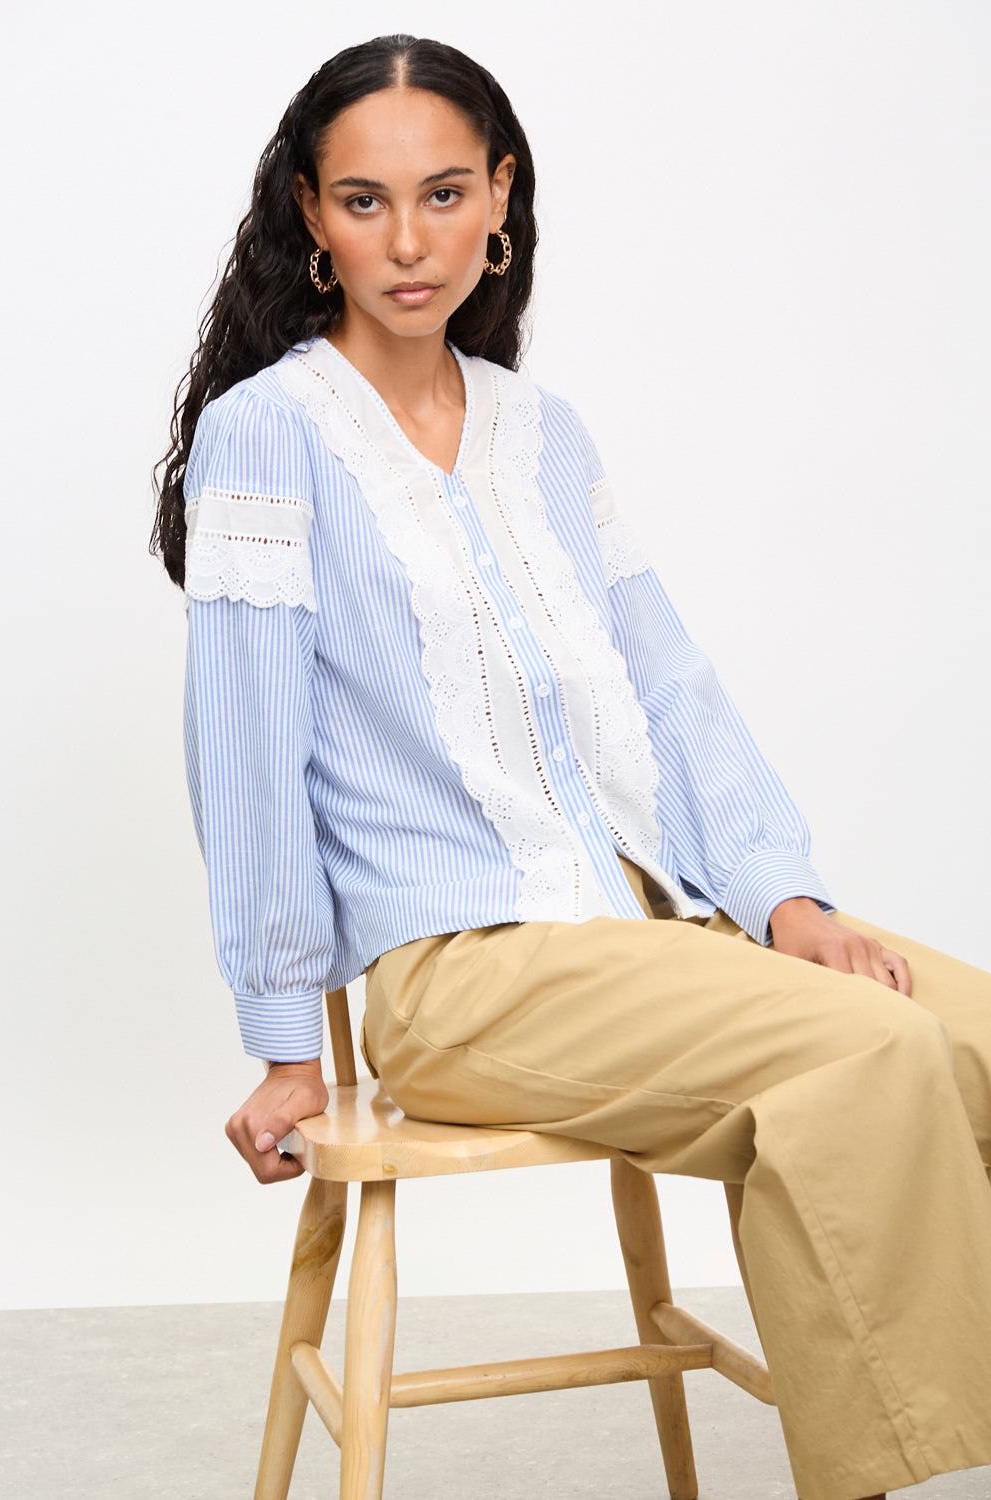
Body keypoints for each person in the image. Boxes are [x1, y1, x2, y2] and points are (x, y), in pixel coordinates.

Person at [152, 34, 991, 1500]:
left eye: (443, 194)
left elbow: (671, 688)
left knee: (967, 1032)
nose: (407, 243)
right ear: (309, 215)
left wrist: (786, 899)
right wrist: (288, 1037)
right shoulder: (265, 438)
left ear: (500, 197)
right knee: (870, 1054)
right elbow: (246, 753)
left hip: (657, 931)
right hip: (465, 973)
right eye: (362, 201)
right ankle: (892, 1471)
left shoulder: (545, 435)